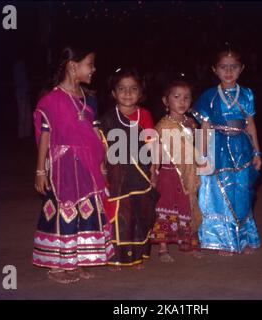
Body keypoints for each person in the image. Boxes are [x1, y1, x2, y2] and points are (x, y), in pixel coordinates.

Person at [32, 46, 114, 284]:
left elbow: (95, 133)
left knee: (84, 212)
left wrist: (101, 165)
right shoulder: (51, 100)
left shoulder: (89, 98)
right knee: (62, 212)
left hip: (86, 166)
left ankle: (74, 261)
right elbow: (45, 136)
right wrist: (40, 171)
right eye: (90, 64)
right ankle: (56, 266)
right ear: (72, 66)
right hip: (62, 167)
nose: (94, 69)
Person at [191, 45, 262, 256]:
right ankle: (224, 240)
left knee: (242, 192)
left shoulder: (247, 94)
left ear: (241, 69)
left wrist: (257, 152)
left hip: (242, 148)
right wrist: (201, 156)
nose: (228, 72)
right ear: (215, 70)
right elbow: (203, 127)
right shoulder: (209, 95)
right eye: (223, 67)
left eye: (233, 67)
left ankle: (245, 237)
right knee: (219, 193)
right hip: (217, 146)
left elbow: (250, 124)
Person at [98, 67, 159, 271]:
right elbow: (101, 150)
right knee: (119, 216)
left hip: (141, 174)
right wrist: (102, 173)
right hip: (117, 177)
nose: (127, 93)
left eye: (133, 89)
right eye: (122, 89)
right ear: (114, 93)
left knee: (141, 215)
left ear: (141, 93)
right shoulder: (106, 120)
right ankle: (116, 258)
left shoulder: (146, 116)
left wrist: (154, 170)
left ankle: (137, 255)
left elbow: (152, 145)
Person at [150, 79, 203, 262]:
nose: (182, 101)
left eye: (186, 97)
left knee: (187, 204)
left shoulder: (190, 123)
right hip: (168, 174)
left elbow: (192, 148)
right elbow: (156, 150)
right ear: (166, 101)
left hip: (187, 173)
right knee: (165, 207)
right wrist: (153, 172)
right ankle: (163, 248)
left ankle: (189, 243)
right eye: (177, 97)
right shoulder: (163, 125)